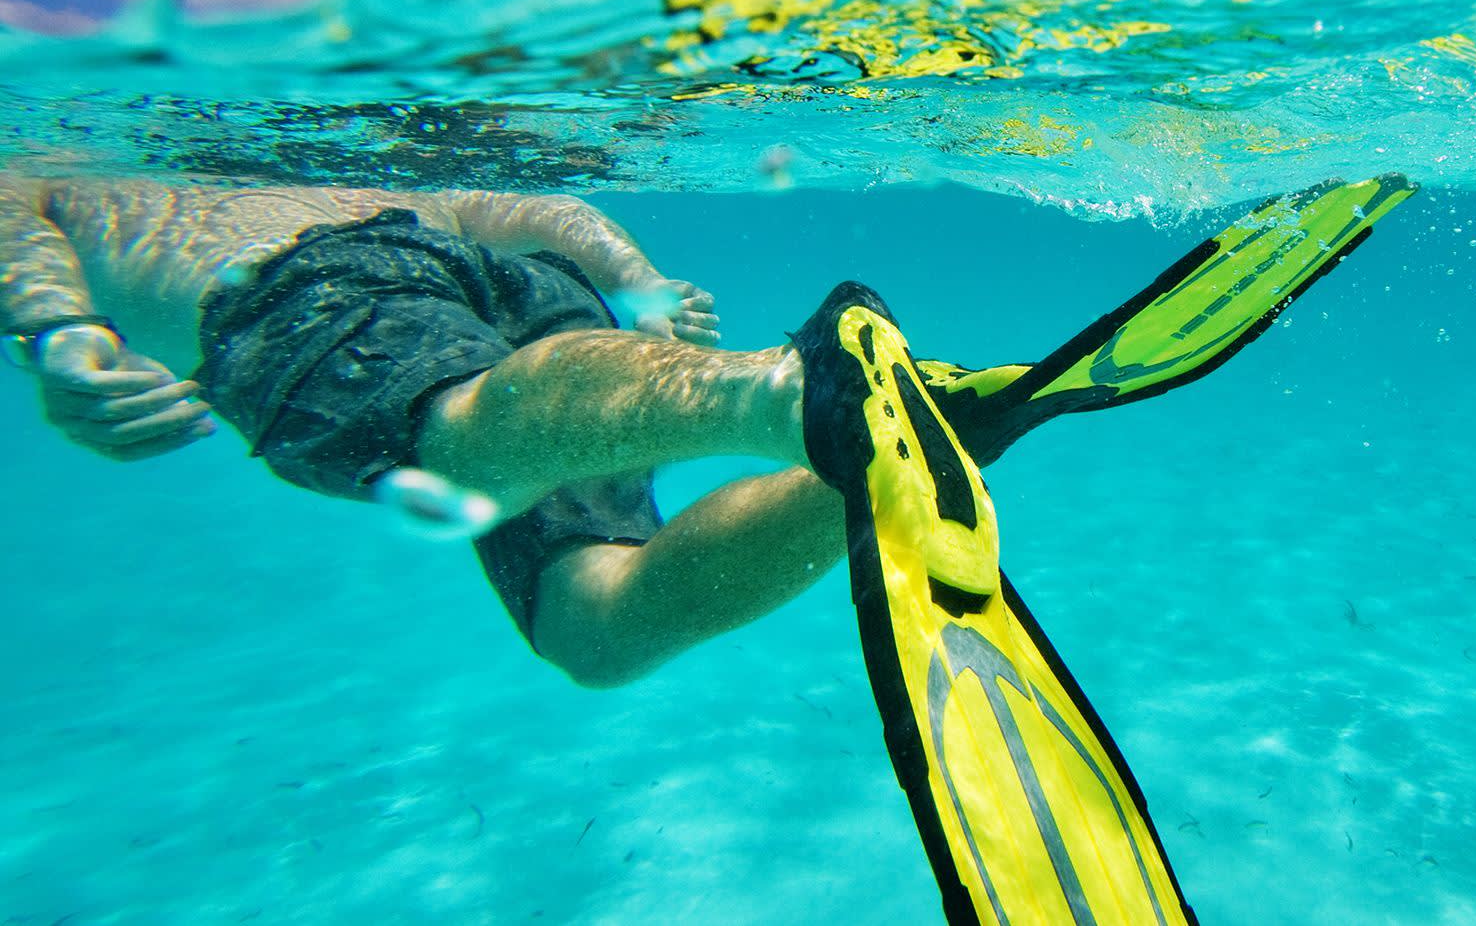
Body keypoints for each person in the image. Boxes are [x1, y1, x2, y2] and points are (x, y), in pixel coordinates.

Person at [0, 173, 843, 688]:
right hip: (519, 286)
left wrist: (60, 340)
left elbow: (12, 216)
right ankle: (852, 472)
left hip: (300, 288)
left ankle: (791, 394)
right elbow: (525, 208)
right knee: (594, 631)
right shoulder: (363, 150)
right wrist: (638, 281)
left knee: (463, 460)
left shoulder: (61, 157)